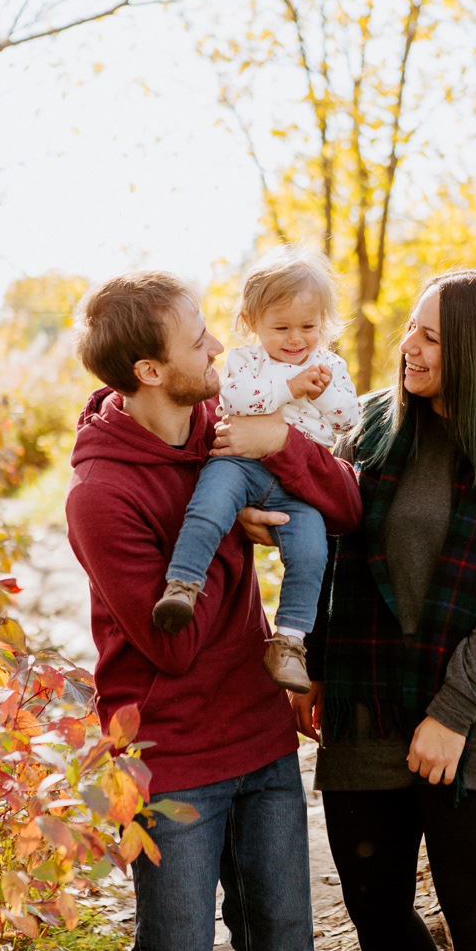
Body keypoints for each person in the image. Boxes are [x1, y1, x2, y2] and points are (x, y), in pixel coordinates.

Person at [65, 270, 361, 951]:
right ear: (150, 371)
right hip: (172, 765)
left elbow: (345, 507)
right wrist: (227, 521)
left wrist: (280, 445)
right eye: (200, 341)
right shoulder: (103, 494)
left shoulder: (220, 425)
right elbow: (174, 643)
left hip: (259, 740)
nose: (221, 347)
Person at [292, 269, 476, 951]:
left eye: (430, 337)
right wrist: (312, 660)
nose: (407, 347)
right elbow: (325, 549)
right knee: (375, 908)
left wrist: (450, 714)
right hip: (369, 702)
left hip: (473, 716)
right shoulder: (365, 427)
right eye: (409, 328)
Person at [152, 247, 361, 695]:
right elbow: (238, 400)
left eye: (308, 327)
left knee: (310, 553)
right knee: (208, 506)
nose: (295, 339)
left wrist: (320, 392)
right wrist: (290, 386)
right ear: (252, 322)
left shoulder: (331, 366)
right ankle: (183, 584)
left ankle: (288, 642)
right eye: (281, 327)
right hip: (240, 464)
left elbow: (346, 419)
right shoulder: (246, 361)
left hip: (297, 488)